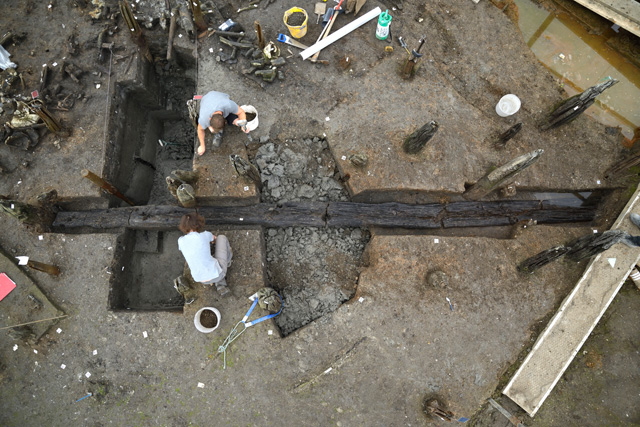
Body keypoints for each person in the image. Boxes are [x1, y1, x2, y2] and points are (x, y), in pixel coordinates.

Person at [177, 213, 233, 296]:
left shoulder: (180, 241)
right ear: (198, 224)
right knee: (222, 238)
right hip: (218, 274)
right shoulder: (205, 235)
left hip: (200, 279)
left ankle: (220, 285)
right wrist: (213, 242)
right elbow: (214, 239)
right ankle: (227, 262)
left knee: (206, 262)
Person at [197, 91, 250, 155]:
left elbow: (241, 112)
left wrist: (243, 123)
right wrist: (202, 145)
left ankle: (233, 121)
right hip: (206, 99)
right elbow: (200, 129)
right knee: (211, 130)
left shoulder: (228, 105)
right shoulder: (204, 118)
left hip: (220, 97)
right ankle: (215, 131)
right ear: (210, 119)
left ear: (225, 120)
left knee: (235, 118)